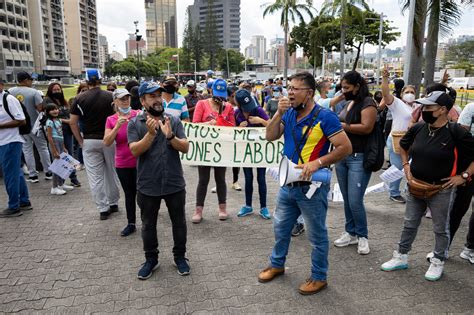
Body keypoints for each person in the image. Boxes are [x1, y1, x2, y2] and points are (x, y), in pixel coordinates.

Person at [258, 72, 352, 295]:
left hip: (312, 187)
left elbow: (345, 147)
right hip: (288, 182)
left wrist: (318, 163)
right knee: (280, 227)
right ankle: (277, 264)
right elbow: (270, 136)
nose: (289, 92)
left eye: (295, 89)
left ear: (309, 93)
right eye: (288, 88)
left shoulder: (325, 116)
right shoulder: (288, 113)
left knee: (316, 234)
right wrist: (278, 114)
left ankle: (319, 277)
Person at [381, 91, 474, 281]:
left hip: (442, 190)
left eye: (428, 107)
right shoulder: (419, 128)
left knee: (441, 228)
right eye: (423, 106)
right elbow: (403, 147)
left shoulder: (457, 132)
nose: (423, 110)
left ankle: (438, 260)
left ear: (442, 110)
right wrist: (406, 166)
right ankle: (401, 256)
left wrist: (463, 176)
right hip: (415, 187)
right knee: (409, 223)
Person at [128, 81, 190, 279]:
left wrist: (170, 135)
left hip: (174, 182)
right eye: (152, 96)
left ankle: (180, 257)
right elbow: (134, 150)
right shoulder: (134, 123)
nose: (157, 99)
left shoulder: (173, 120)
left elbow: (185, 147)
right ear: (143, 100)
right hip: (148, 184)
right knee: (148, 224)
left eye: (159, 95)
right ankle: (151, 259)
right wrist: (151, 134)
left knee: (179, 222)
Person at [333, 71, 377, 255]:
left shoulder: (368, 103)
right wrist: (336, 102)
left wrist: (341, 126)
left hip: (358, 157)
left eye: (347, 88)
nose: (344, 91)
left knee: (355, 199)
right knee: (346, 198)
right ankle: (350, 232)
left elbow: (366, 127)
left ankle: (362, 235)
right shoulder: (349, 102)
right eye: (342, 87)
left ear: (357, 87)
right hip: (342, 156)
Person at [70, 69, 120, 220]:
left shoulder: (79, 98)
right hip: (109, 139)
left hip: (90, 140)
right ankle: (114, 203)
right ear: (100, 79)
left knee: (95, 177)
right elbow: (118, 116)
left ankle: (103, 208)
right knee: (112, 172)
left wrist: (80, 141)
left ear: (86, 80)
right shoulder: (110, 96)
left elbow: (73, 122)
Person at [191, 79, 235, 223]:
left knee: (220, 178)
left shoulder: (228, 107)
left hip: (220, 148)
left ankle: (222, 208)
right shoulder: (202, 104)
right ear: (210, 91)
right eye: (217, 94)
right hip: (205, 148)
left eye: (222, 95)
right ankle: (198, 210)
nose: (219, 98)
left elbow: (233, 127)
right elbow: (195, 125)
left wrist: (223, 122)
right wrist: (208, 124)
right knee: (203, 179)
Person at [104, 89, 140, 237]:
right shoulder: (111, 119)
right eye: (121, 99)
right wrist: (117, 126)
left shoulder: (138, 114)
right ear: (115, 102)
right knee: (129, 194)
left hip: (140, 161)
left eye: (127, 98)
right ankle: (131, 223)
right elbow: (107, 142)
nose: (125, 101)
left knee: (144, 193)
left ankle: (148, 221)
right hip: (123, 163)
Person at [9, 71, 52, 183]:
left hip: (21, 126)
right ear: (26, 80)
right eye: (30, 80)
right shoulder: (34, 92)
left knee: (27, 150)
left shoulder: (10, 91)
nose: (31, 82)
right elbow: (40, 108)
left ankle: (33, 174)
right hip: (35, 126)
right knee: (42, 148)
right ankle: (48, 171)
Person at [234, 89, 271, 220]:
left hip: (259, 151)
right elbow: (230, 133)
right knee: (248, 178)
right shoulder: (237, 113)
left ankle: (263, 207)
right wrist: (239, 128)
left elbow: (272, 126)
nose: (248, 109)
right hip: (246, 152)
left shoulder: (259, 110)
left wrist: (260, 120)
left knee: (261, 178)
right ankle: (248, 205)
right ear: (238, 105)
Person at [381, 65, 415, 203]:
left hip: (410, 141)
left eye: (412, 91)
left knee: (407, 166)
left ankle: (404, 190)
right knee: (398, 167)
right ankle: (394, 192)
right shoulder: (397, 103)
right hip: (396, 140)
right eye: (407, 91)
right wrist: (385, 79)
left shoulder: (417, 105)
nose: (410, 93)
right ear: (402, 93)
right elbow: (385, 94)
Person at [0, 80, 32, 217]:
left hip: (10, 141)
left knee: (10, 175)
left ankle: (14, 206)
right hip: (4, 142)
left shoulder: (8, 99)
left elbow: (21, 120)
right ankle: (24, 201)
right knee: (15, 172)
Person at [448, 102, 474, 263]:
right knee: (457, 209)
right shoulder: (471, 108)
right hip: (467, 168)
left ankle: (470, 248)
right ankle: (442, 249)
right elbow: (460, 137)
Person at [43, 83, 81, 187]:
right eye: (54, 90)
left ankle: (73, 177)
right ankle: (60, 182)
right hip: (56, 132)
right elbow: (49, 116)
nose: (57, 91)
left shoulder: (64, 101)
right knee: (59, 157)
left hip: (67, 132)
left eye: (58, 89)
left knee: (69, 155)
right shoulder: (47, 101)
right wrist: (66, 121)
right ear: (50, 91)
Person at [44, 104, 74, 195]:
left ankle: (61, 184)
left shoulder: (58, 120)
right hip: (55, 143)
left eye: (56, 109)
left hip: (60, 143)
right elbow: (49, 137)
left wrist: (64, 147)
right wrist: (54, 150)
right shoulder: (49, 122)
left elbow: (61, 135)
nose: (55, 111)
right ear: (48, 112)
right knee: (56, 166)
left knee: (61, 165)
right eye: (52, 109)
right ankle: (54, 187)